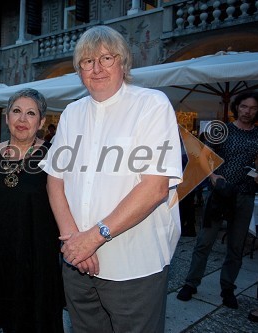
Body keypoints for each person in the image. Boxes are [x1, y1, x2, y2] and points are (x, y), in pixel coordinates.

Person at [39, 25, 182, 333]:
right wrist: (74, 241)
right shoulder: (71, 113)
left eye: (106, 58)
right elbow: (55, 179)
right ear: (79, 70)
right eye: (87, 62)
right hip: (77, 262)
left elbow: (155, 187)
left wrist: (92, 239)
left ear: (123, 62)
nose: (97, 68)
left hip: (134, 265)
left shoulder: (151, 105)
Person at [0, 88, 64, 332]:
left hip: (36, 260)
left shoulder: (53, 157)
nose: (22, 119)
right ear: (7, 117)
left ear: (41, 121)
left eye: (30, 113)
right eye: (16, 111)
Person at [177, 91, 258, 309]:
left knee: (236, 245)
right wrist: (212, 176)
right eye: (244, 107)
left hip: (245, 195)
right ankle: (191, 283)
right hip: (220, 194)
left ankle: (228, 288)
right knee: (205, 241)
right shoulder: (223, 130)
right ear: (237, 107)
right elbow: (202, 157)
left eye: (252, 108)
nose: (247, 111)